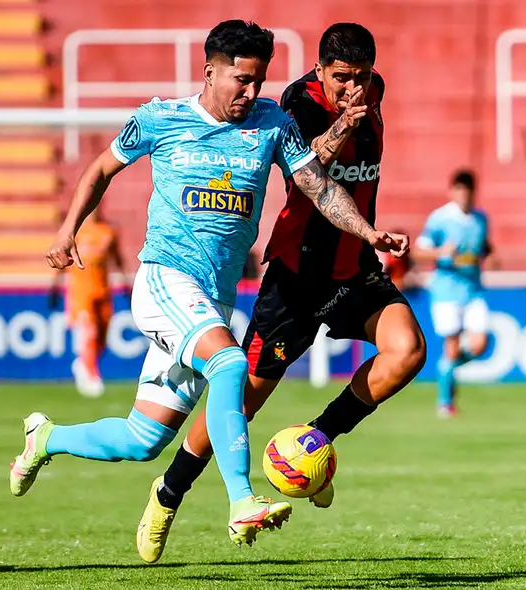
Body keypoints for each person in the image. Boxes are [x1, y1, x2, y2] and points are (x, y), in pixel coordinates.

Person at [7, 19, 406, 549]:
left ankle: (46, 438)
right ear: (209, 71)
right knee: (231, 363)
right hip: (165, 279)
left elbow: (318, 186)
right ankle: (242, 500)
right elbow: (101, 168)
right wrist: (67, 230)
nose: (251, 91)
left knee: (142, 439)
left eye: (258, 80)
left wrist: (368, 232)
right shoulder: (161, 118)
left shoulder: (271, 123)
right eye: (241, 79)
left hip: (211, 297)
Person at [134, 22, 426, 563]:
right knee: (239, 402)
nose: (353, 89)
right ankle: (168, 492)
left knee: (408, 350)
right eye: (341, 79)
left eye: (361, 78)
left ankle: (312, 443)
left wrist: (369, 231)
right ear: (320, 70)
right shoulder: (296, 101)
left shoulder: (373, 90)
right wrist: (344, 121)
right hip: (296, 275)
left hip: (354, 266)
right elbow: (310, 170)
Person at [413, 169, 494, 417]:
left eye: (467, 190)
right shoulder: (440, 219)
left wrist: (491, 258)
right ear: (452, 191)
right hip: (446, 292)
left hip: (473, 290)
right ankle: (445, 402)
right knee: (452, 344)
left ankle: (447, 368)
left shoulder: (481, 219)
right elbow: (418, 252)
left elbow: (484, 249)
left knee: (480, 344)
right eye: (459, 189)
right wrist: (440, 253)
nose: (463, 195)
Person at [50, 206, 124, 397]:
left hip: (103, 290)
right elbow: (61, 262)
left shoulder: (108, 232)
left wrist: (126, 284)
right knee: (89, 332)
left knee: (102, 337)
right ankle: (91, 374)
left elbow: (117, 259)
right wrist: (54, 287)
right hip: (81, 293)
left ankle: (84, 363)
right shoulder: (75, 232)